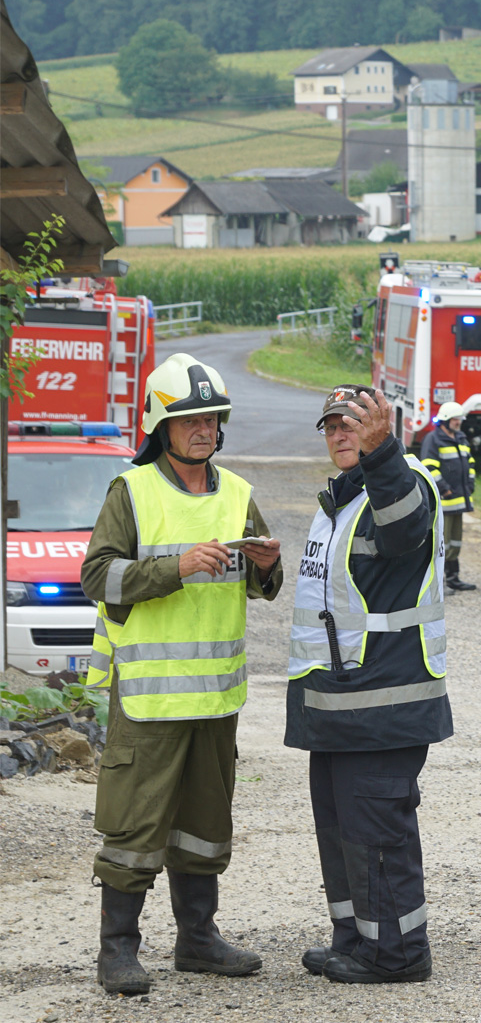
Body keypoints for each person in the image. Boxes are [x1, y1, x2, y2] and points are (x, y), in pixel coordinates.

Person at [80, 353, 283, 996]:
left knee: (204, 824)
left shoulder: (239, 494)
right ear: (160, 425)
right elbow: (97, 577)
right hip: (149, 701)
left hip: (216, 699)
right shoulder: (132, 491)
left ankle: (197, 940)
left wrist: (267, 566)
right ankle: (118, 951)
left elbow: (261, 586)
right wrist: (177, 567)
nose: (204, 429)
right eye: (190, 419)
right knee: (135, 827)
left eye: (212, 418)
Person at [287, 385, 451, 985]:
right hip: (338, 707)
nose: (340, 433)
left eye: (353, 423)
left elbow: (404, 533)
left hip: (384, 706)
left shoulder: (402, 484)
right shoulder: (341, 498)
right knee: (342, 832)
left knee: (377, 833)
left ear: (380, 429)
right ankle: (356, 940)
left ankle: (398, 955)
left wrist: (384, 456)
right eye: (331, 425)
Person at [419, 402, 475, 593]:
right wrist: (444, 489)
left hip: (459, 499)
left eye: (460, 419)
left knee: (455, 541)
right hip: (444, 500)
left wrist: (470, 484)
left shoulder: (461, 438)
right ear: (445, 420)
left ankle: (453, 578)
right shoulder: (433, 439)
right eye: (455, 419)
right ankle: (439, 583)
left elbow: (470, 463)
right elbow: (429, 466)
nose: (458, 422)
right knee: (442, 542)